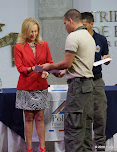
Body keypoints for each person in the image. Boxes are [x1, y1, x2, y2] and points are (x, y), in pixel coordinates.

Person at [41, 9, 96, 152]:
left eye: (65, 24)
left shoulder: (73, 36)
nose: (65, 27)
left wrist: (50, 66)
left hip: (78, 86)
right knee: (85, 130)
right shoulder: (89, 37)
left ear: (71, 21)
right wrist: (65, 72)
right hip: (89, 86)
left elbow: (67, 62)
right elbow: (80, 62)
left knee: (74, 129)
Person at [14, 17, 53, 152]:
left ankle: (43, 147)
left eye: (36, 31)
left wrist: (46, 72)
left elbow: (49, 63)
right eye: (31, 32)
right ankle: (29, 148)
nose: (34, 35)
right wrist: (32, 68)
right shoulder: (19, 47)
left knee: (40, 117)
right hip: (26, 87)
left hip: (41, 86)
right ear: (25, 32)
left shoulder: (44, 45)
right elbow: (20, 68)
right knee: (29, 117)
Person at [81, 12, 111, 151]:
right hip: (82, 82)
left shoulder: (101, 39)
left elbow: (105, 57)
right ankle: (86, 148)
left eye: (84, 25)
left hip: (97, 81)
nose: (82, 28)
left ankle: (100, 148)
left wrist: (107, 59)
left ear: (91, 24)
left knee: (100, 116)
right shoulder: (78, 39)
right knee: (85, 118)